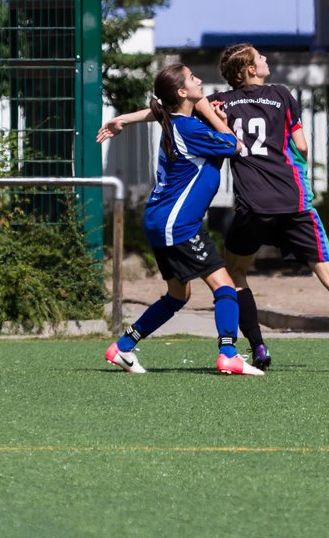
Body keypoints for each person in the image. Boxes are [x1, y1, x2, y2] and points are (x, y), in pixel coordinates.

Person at [99, 45, 329, 373]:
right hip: (288, 202)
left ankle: (255, 346)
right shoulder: (281, 95)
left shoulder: (218, 105)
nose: (267, 60)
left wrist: (124, 119)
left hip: (245, 207)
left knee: (206, 284)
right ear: (248, 69)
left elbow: (165, 111)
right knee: (292, 280)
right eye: (261, 58)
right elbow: (281, 145)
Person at [103, 62, 264, 376]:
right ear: (182, 92)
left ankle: (122, 347)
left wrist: (123, 119)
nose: (199, 80)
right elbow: (235, 145)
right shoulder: (188, 128)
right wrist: (214, 115)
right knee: (225, 286)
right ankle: (229, 353)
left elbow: (157, 111)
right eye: (193, 78)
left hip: (161, 221)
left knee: (179, 295)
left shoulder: (178, 121)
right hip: (178, 224)